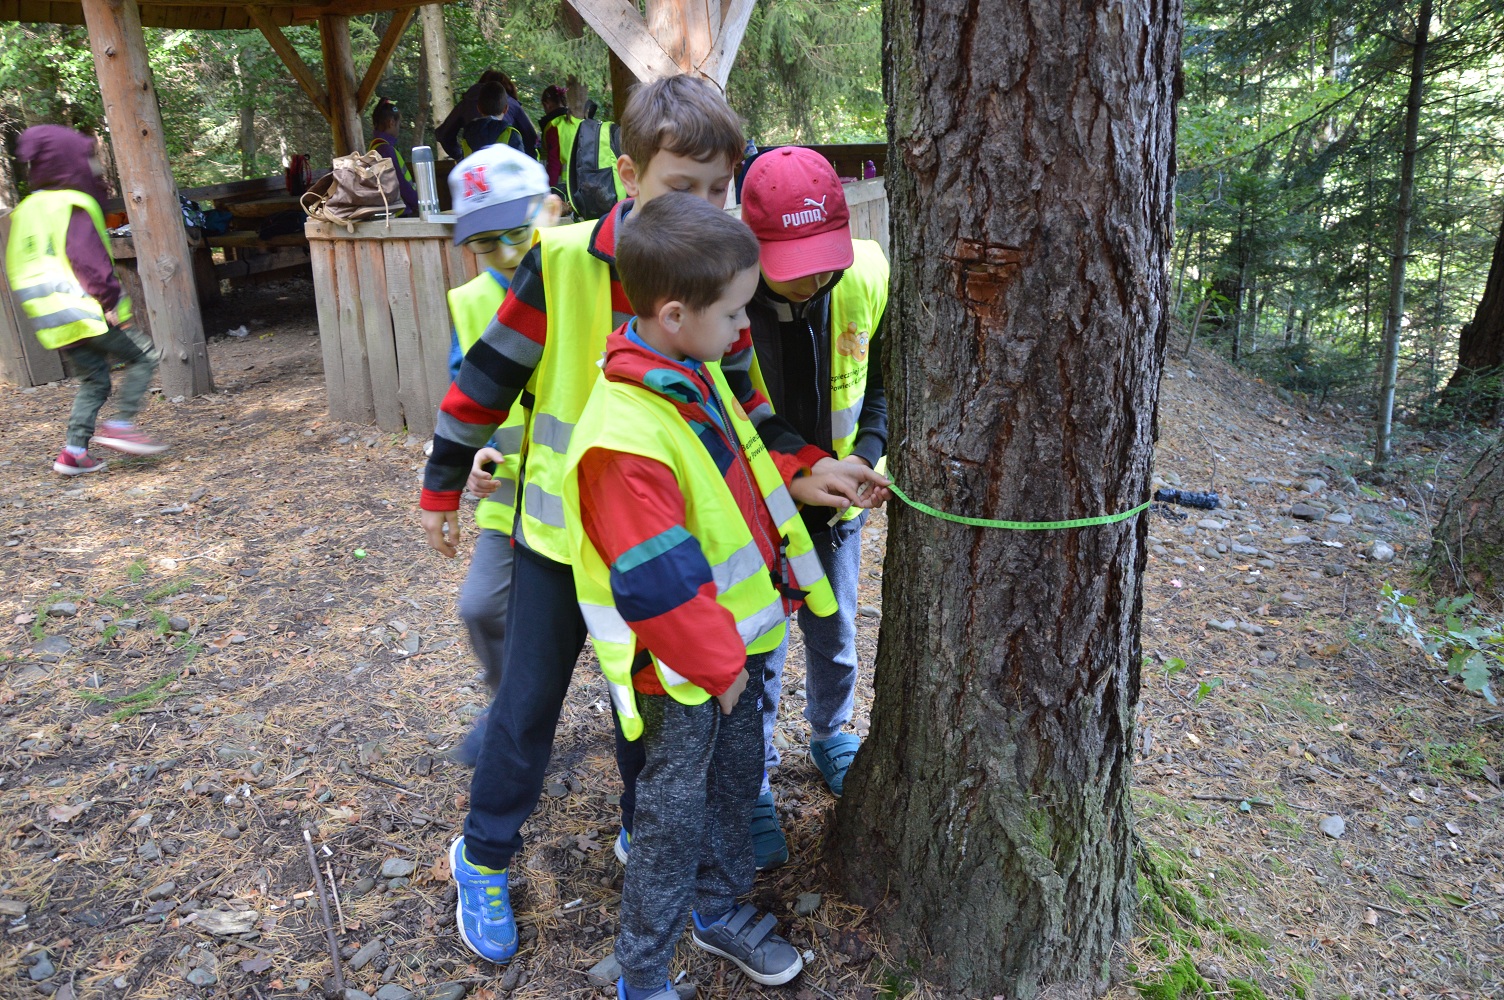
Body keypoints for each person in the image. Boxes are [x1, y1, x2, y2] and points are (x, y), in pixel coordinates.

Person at [420, 74, 885, 966]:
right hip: (559, 545)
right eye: (683, 186)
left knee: (650, 711)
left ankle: (648, 836)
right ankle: (482, 855)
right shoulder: (561, 263)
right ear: (630, 175)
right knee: (528, 706)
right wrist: (443, 483)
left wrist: (808, 467)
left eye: (720, 189)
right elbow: (487, 377)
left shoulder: (710, 279)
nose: (704, 208)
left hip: (662, 552)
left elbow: (748, 412)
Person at [565, 194, 838, 997]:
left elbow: (742, 465)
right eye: (734, 313)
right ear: (675, 315)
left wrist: (810, 470)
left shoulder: (693, 372)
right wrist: (720, 671)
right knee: (671, 817)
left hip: (730, 658)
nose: (745, 328)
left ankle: (718, 911)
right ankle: (644, 973)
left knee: (734, 784)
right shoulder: (624, 434)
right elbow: (656, 579)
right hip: (683, 673)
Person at [729, 147, 892, 866]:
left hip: (839, 506)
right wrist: (799, 471)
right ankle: (755, 778)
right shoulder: (723, 304)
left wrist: (869, 453)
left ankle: (832, 731)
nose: (813, 279)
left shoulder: (866, 278)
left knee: (837, 631)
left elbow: (881, 382)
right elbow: (735, 410)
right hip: (758, 512)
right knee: (760, 646)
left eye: (824, 261)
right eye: (793, 265)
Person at [441, 143, 562, 764]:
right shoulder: (471, 304)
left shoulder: (584, 276)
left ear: (552, 210)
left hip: (595, 492)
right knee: (481, 606)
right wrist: (477, 453)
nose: (509, 253)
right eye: (488, 243)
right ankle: (510, 707)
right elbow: (465, 396)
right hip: (513, 496)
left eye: (518, 232)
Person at [5, 125, 168, 474]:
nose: (95, 168)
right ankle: (121, 425)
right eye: (89, 160)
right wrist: (109, 302)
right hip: (85, 308)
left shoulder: (26, 210)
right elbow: (87, 261)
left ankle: (74, 452)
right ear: (70, 161)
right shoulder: (72, 203)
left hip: (52, 319)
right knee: (143, 356)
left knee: (94, 379)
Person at [437, 70, 538, 161]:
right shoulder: (513, 105)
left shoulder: (466, 104)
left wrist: (460, 157)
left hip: (475, 170)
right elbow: (532, 140)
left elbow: (443, 135)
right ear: (505, 108)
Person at [368, 99, 419, 216]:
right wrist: (418, 202)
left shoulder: (374, 148)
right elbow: (401, 184)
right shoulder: (385, 150)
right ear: (391, 122)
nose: (399, 129)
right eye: (398, 124)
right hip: (400, 212)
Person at [461, 81, 525, 156]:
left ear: (478, 108)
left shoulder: (468, 133)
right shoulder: (511, 134)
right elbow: (521, 161)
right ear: (505, 109)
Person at [537, 85, 580, 192]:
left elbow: (553, 163)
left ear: (546, 104)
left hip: (562, 186)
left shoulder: (553, 127)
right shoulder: (577, 122)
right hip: (580, 182)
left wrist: (549, 190)